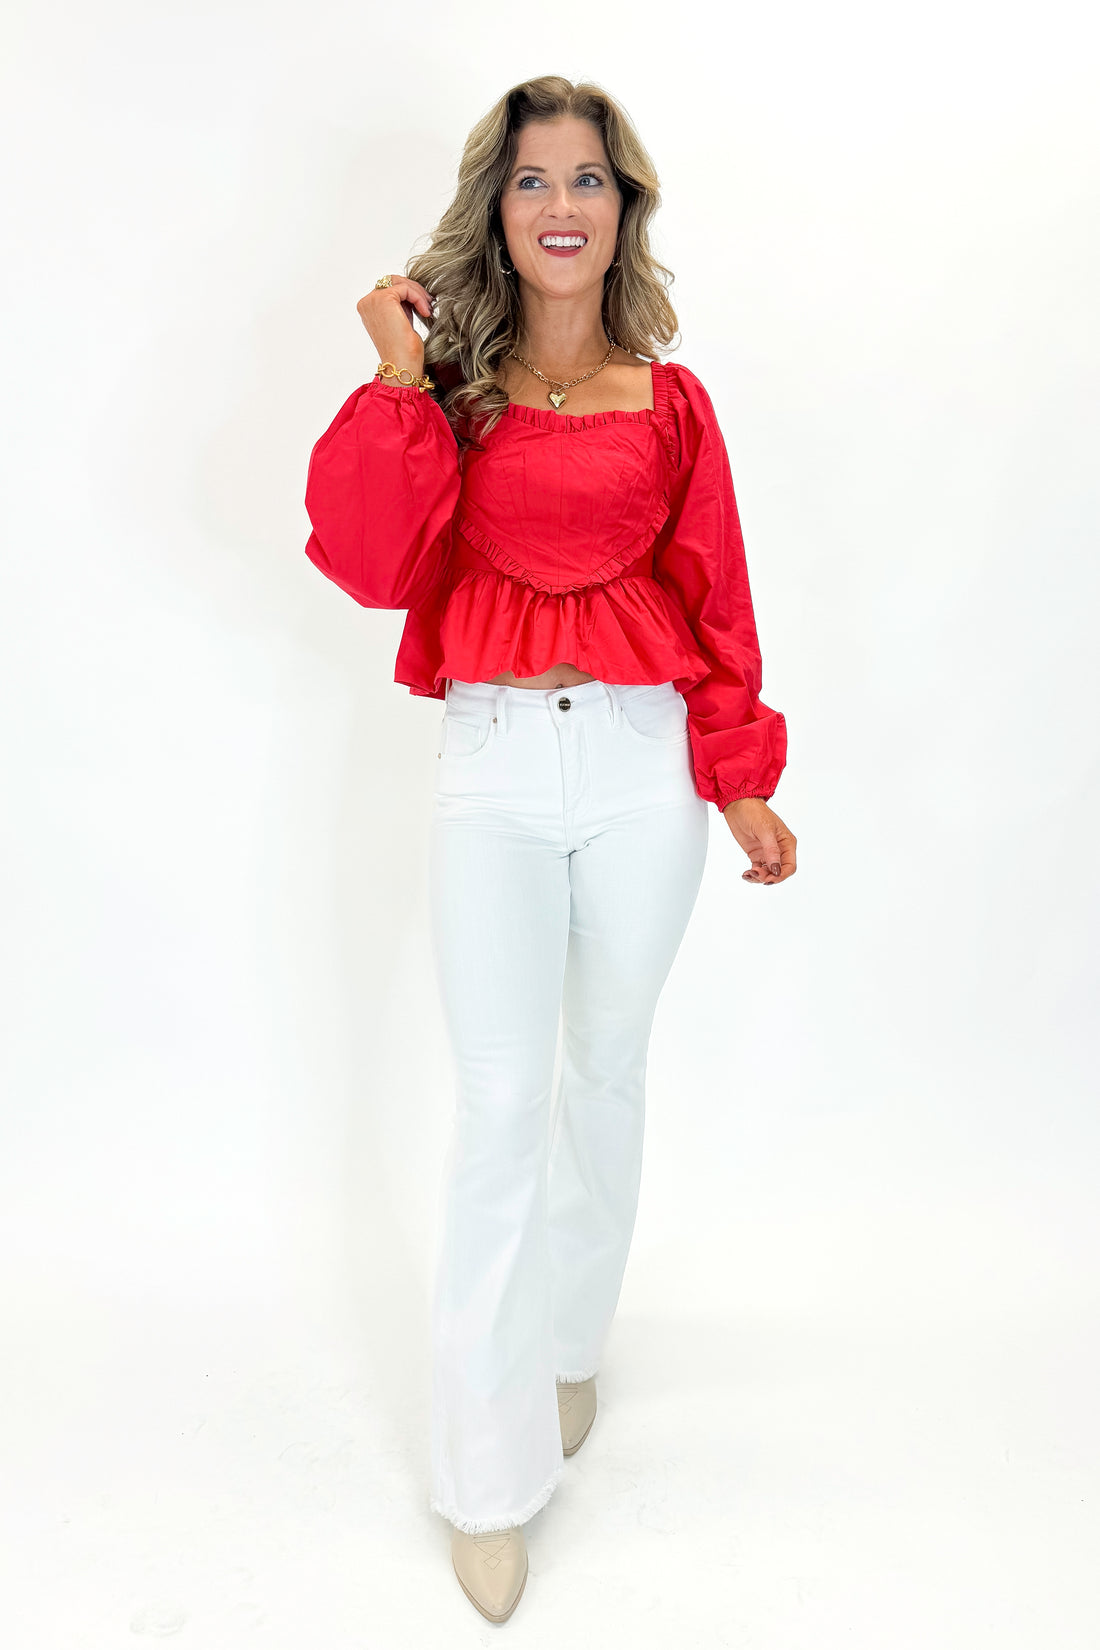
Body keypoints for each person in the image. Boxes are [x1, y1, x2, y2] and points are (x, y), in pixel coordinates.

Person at [303, 74, 797, 1625]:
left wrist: (737, 777)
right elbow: (376, 567)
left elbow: (716, 591)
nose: (562, 204)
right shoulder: (446, 392)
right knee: (504, 1103)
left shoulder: (673, 399)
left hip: (645, 764)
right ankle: (486, 1470)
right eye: (533, 181)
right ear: (498, 212)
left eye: (588, 178)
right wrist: (395, 377)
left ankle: (571, 1341)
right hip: (498, 769)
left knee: (608, 1072)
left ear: (621, 208)